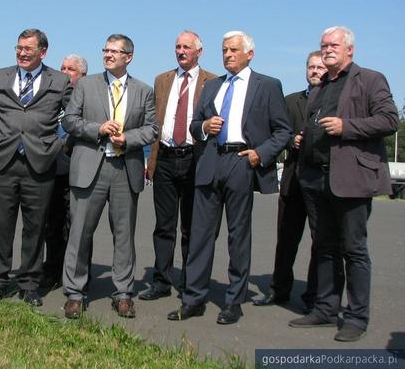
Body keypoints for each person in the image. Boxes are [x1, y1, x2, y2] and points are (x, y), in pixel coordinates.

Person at [168, 31, 291, 324]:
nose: (227, 55)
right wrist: (204, 126)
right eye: (224, 50)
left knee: (238, 236)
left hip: (242, 161)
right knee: (200, 234)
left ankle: (234, 301)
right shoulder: (212, 87)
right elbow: (195, 124)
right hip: (211, 160)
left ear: (249, 54)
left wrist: (259, 154)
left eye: (233, 50)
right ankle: (194, 298)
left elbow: (283, 130)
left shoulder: (268, 86)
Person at [289, 26, 398, 342]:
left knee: (354, 250)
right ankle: (325, 308)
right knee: (324, 248)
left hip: (351, 180)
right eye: (323, 45)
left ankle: (356, 316)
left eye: (333, 44)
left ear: (350, 48)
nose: (327, 49)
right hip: (315, 178)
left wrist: (346, 126)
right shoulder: (322, 85)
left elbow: (389, 120)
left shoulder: (371, 79)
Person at [0, 29, 72, 307]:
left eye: (28, 49)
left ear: (43, 52)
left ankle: (29, 285)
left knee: (35, 228)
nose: (22, 53)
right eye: (19, 48)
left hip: (40, 166)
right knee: (0, 226)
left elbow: (75, 118)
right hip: (4, 162)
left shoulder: (60, 81)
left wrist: (60, 146)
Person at [61, 34, 158, 319]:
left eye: (115, 51)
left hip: (124, 170)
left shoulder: (143, 90)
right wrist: (97, 129)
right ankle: (75, 294)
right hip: (90, 168)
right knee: (79, 233)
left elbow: (152, 129)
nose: (108, 54)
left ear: (129, 56)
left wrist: (126, 138)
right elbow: (68, 120)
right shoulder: (85, 85)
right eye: (105, 50)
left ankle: (123, 293)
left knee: (124, 236)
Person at [139, 31, 217, 301]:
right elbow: (154, 124)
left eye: (186, 47)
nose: (181, 51)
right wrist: (150, 162)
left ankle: (189, 281)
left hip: (196, 158)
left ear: (199, 52)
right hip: (166, 159)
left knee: (192, 226)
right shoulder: (162, 80)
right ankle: (161, 280)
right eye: (177, 47)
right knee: (164, 225)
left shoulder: (214, 81)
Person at [253, 51, 327, 312]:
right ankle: (278, 289)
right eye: (311, 66)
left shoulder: (333, 101)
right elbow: (277, 130)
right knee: (286, 239)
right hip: (293, 181)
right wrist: (290, 140)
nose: (315, 71)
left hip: (321, 182)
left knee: (321, 242)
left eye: (320, 67)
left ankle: (314, 296)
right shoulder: (291, 100)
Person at [41, 54, 88, 290]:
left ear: (82, 75)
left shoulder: (87, 97)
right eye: (62, 67)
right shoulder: (51, 95)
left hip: (77, 170)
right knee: (53, 225)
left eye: (70, 69)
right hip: (53, 170)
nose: (65, 71)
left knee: (77, 227)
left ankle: (78, 274)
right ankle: (52, 270)